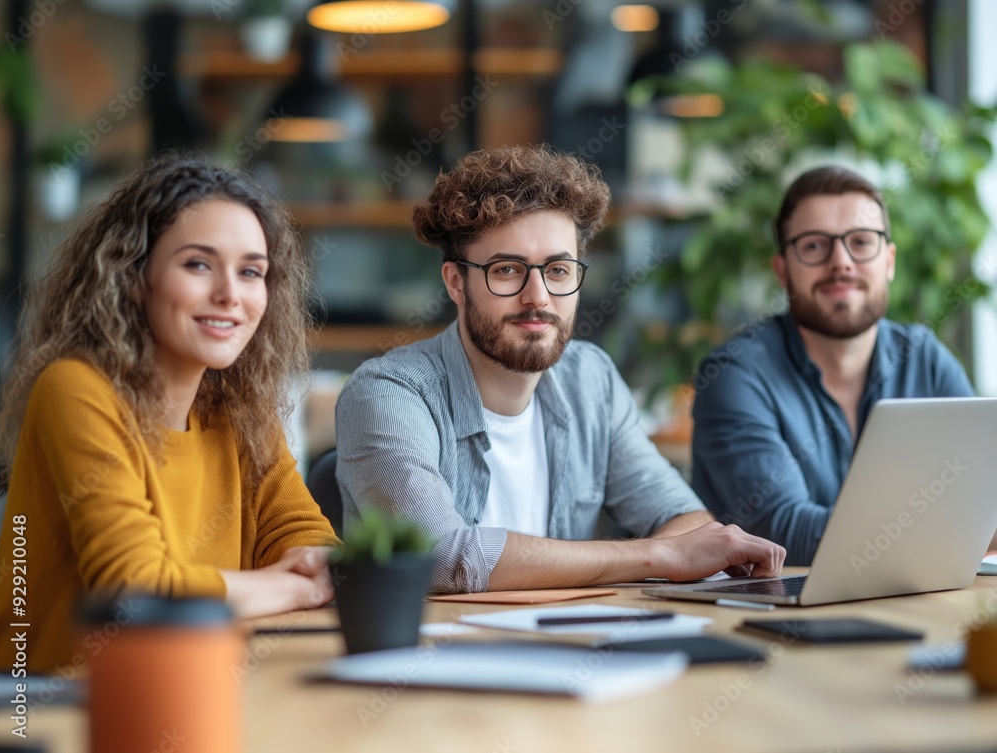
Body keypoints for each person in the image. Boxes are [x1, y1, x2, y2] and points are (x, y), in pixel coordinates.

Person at [335, 144, 785, 593]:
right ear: (456, 282)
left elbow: (683, 520)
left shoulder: (591, 380)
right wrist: (656, 555)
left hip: (570, 647)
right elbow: (440, 557)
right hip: (435, 655)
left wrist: (671, 549)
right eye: (508, 270)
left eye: (558, 270)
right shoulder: (388, 393)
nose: (538, 296)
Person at [0, 154, 338, 673]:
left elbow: (312, 545)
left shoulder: (238, 409)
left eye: (251, 272)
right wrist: (285, 587)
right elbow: (135, 592)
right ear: (134, 276)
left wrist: (301, 577)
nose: (229, 295)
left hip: (194, 682)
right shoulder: (75, 389)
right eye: (198, 264)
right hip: (57, 708)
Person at [691, 165, 978, 565]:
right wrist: (956, 528)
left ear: (889, 261)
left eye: (861, 242)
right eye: (813, 245)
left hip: (917, 601)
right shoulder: (735, 375)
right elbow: (783, 532)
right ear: (782, 270)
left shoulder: (924, 358)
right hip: (776, 620)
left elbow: (983, 490)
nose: (841, 262)